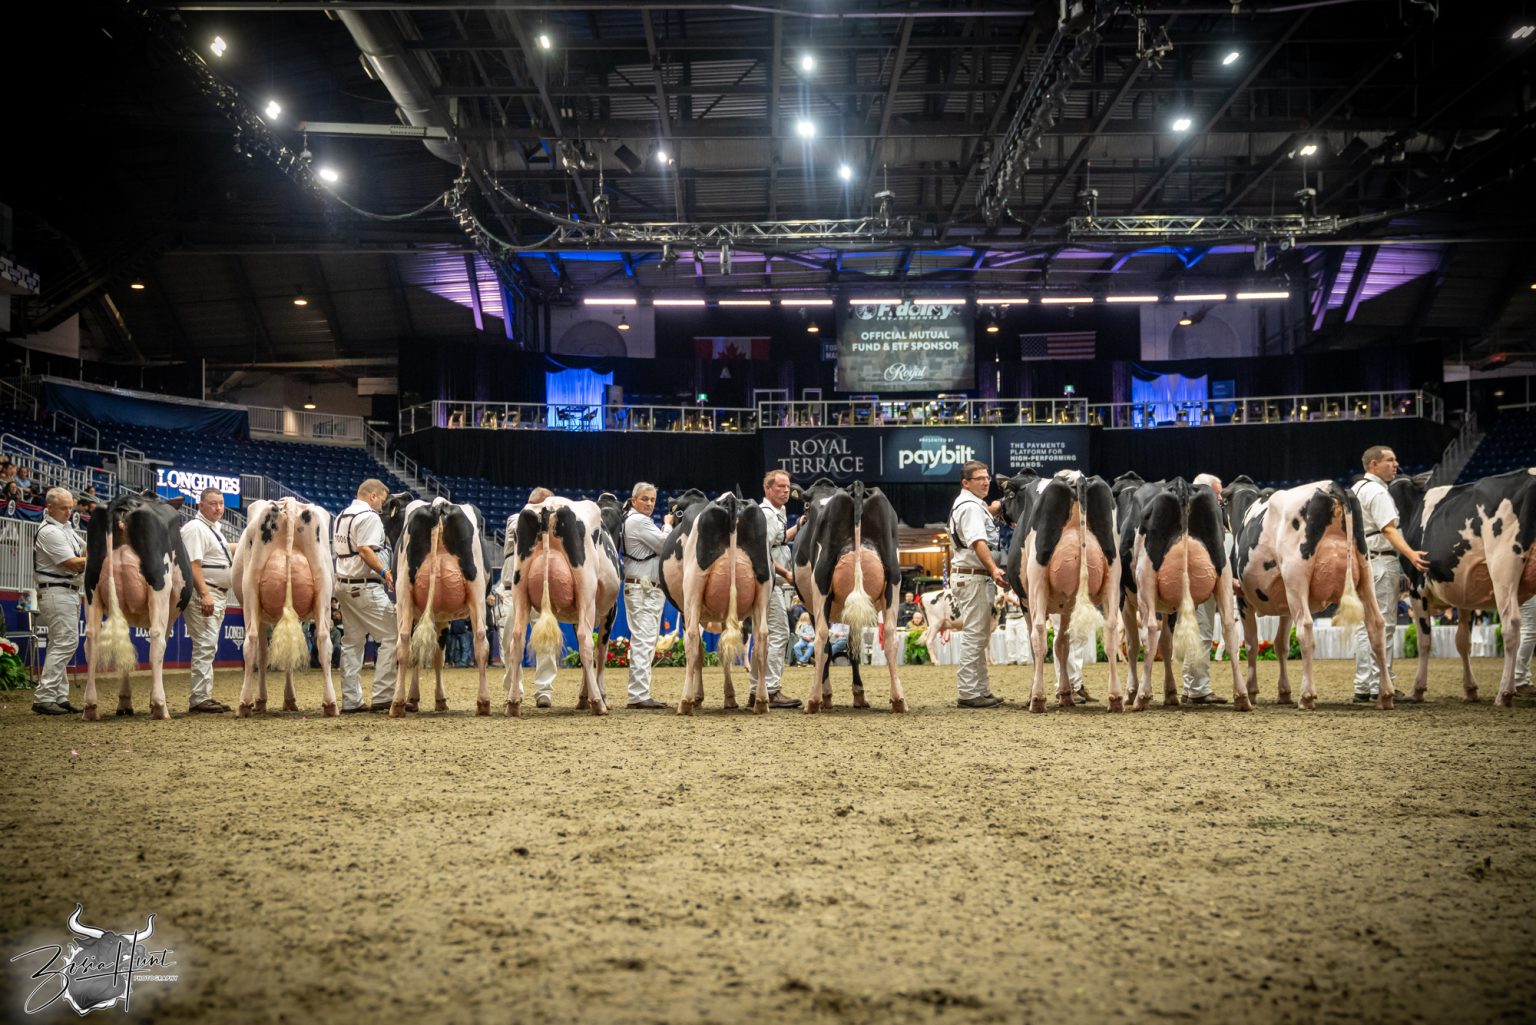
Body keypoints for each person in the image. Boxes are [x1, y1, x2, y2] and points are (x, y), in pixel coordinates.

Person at [1350, 446, 1430, 701]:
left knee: (1364, 626)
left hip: (1361, 562)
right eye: (1390, 460)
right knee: (1383, 624)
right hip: (1381, 561)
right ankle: (1382, 685)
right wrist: (1411, 554)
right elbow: (1388, 529)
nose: (1396, 465)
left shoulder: (1356, 489)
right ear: (1373, 464)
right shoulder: (1377, 491)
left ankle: (1363, 685)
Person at [333, 479, 399, 713]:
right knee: (393, 636)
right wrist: (384, 572)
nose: (383, 504)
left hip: (343, 586)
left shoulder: (342, 515)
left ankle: (351, 700)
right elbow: (364, 550)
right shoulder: (369, 517)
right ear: (373, 496)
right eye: (382, 498)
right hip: (365, 587)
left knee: (352, 643)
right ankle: (383, 695)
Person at [949, 460, 1008, 707]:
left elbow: (985, 513)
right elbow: (977, 541)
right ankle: (967, 692)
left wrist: (996, 507)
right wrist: (994, 568)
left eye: (987, 478)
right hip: (973, 575)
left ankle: (980, 689)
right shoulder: (971, 508)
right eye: (979, 479)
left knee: (980, 635)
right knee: (975, 635)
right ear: (966, 483)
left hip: (973, 576)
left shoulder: (972, 505)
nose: (986, 482)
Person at [32, 487, 85, 715]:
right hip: (56, 591)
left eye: (71, 508)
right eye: (64, 508)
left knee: (60, 643)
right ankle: (44, 696)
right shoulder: (49, 532)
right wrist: (98, 557)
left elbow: (85, 549)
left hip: (67, 591)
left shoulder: (66, 528)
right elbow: (73, 563)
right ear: (50, 508)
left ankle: (59, 696)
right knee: (66, 642)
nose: (68, 512)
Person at [180, 487, 233, 713]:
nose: (218, 508)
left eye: (221, 503)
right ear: (200, 505)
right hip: (205, 592)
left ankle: (204, 695)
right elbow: (193, 565)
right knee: (205, 644)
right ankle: (199, 698)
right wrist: (204, 594)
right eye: (213, 503)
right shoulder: (195, 528)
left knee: (208, 644)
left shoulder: (212, 528)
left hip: (217, 593)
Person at [621, 482, 672, 709]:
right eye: (644, 499)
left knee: (645, 640)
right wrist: (668, 525)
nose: (650, 503)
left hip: (643, 588)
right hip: (644, 589)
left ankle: (640, 693)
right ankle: (638, 695)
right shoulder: (639, 521)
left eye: (652, 500)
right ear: (634, 501)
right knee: (643, 640)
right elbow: (665, 545)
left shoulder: (634, 520)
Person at [1179, 473, 1228, 705]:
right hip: (1201, 580)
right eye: (1217, 494)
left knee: (1195, 632)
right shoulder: (1203, 516)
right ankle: (1198, 689)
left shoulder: (1186, 512)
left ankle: (1190, 687)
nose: (1220, 499)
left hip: (1190, 580)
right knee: (1202, 632)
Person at [757, 469, 803, 708]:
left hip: (772, 581)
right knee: (779, 633)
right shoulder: (765, 514)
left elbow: (780, 539)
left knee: (764, 636)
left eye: (787, 487)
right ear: (767, 489)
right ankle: (771, 689)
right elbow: (762, 552)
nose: (786, 491)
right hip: (768, 581)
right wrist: (786, 573)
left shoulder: (778, 512)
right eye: (780, 487)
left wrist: (799, 525)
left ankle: (757, 689)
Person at [522, 488, 561, 707]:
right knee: (512, 639)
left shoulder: (554, 526)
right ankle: (515, 689)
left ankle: (543, 690)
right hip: (516, 587)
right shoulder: (517, 520)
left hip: (539, 586)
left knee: (545, 637)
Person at [1514, 594, 1536, 696]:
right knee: (1530, 632)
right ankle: (1519, 680)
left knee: (1525, 632)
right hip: (1528, 590)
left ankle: (1520, 678)